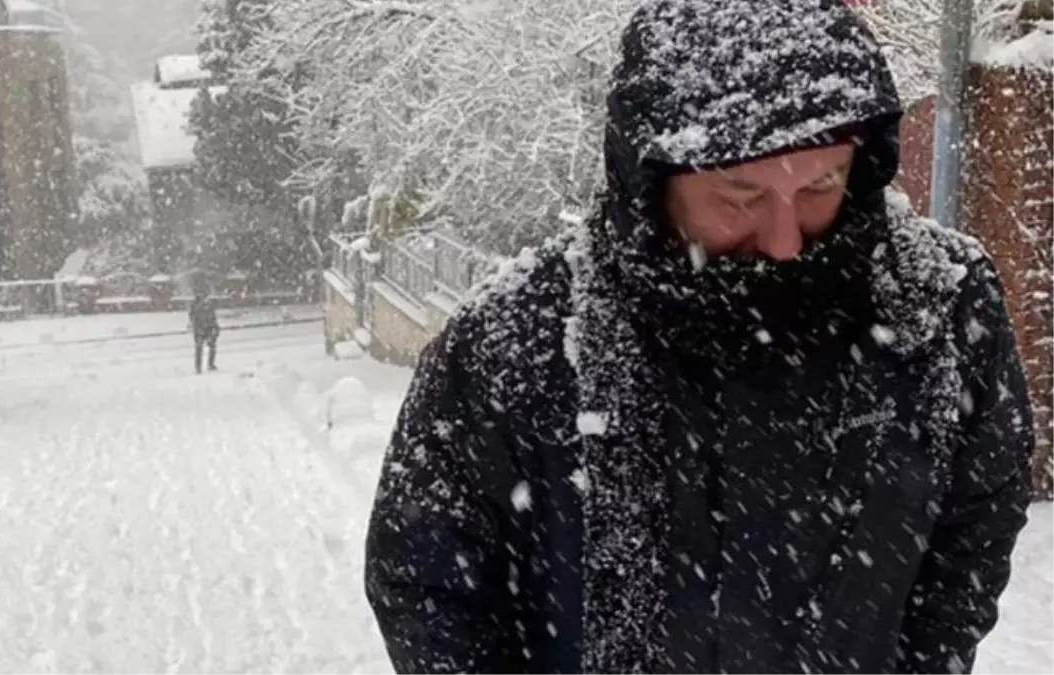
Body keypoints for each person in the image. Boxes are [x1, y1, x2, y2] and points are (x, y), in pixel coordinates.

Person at [363, 1, 1035, 674]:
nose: (783, 240)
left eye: (820, 186)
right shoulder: (514, 343)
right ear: (649, 183)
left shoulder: (939, 308)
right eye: (740, 198)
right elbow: (429, 586)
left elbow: (973, 533)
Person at [189, 288, 219, 374]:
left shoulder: (209, 305)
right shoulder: (195, 305)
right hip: (200, 329)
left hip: (208, 328)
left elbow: (213, 318)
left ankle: (210, 364)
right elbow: (193, 318)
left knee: (211, 347)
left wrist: (215, 329)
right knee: (199, 348)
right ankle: (199, 367)